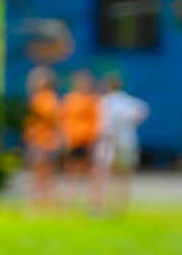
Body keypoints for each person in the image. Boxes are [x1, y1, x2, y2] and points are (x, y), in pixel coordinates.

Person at [95, 71, 149, 214]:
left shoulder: (105, 101)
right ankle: (121, 204)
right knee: (123, 174)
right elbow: (143, 111)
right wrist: (132, 124)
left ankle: (103, 204)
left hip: (110, 142)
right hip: (127, 141)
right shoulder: (128, 101)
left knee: (105, 173)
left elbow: (103, 125)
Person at [23, 66, 62, 206]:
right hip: (36, 140)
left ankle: (46, 199)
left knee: (46, 171)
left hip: (45, 141)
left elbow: (53, 119)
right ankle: (38, 199)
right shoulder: (36, 98)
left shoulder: (49, 98)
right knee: (36, 171)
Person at [60, 70, 100, 200]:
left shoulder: (93, 100)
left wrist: (93, 140)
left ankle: (93, 199)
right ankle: (71, 197)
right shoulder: (70, 99)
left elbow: (97, 120)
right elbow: (64, 119)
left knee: (90, 170)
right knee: (71, 170)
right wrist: (64, 137)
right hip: (73, 139)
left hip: (87, 139)